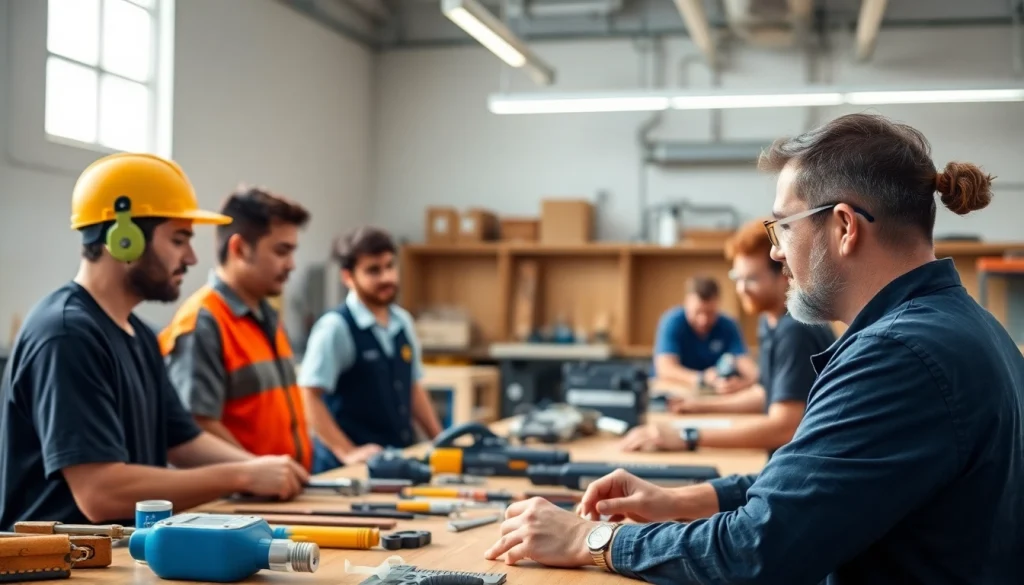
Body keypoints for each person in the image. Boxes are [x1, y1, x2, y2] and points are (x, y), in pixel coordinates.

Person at [482, 113, 1024, 584]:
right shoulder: (969, 328)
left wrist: (591, 539)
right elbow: (819, 482)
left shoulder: (897, 354)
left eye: (782, 226)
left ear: (843, 227)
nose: (775, 251)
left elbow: (758, 553)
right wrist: (682, 501)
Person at [0, 154, 309, 529]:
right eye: (179, 240)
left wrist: (262, 468)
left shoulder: (140, 335)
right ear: (124, 238)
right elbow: (100, 493)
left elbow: (184, 440)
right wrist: (240, 477)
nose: (192, 257)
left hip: (115, 560)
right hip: (59, 569)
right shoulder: (66, 335)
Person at [621, 219, 836, 453]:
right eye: (737, 278)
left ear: (784, 274)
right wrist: (700, 407)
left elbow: (784, 427)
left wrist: (687, 436)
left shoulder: (794, 331)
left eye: (751, 279)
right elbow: (766, 393)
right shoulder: (770, 320)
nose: (741, 289)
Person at [159, 187, 314, 471]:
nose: (291, 265)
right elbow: (194, 428)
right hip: (233, 505)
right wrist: (256, 472)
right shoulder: (201, 323)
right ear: (240, 248)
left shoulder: (267, 316)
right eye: (282, 251)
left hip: (278, 495)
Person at [299, 227, 444, 473]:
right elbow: (308, 396)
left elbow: (413, 387)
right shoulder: (335, 328)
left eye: (389, 266)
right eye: (373, 270)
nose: (386, 277)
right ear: (348, 277)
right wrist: (346, 451)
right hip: (346, 472)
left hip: (396, 461)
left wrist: (440, 440)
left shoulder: (403, 322)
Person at [652, 276, 757, 393]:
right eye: (697, 312)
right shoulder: (672, 322)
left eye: (710, 313)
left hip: (714, 397)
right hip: (675, 393)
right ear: (686, 303)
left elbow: (750, 370)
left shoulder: (728, 325)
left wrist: (741, 384)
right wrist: (701, 378)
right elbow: (665, 369)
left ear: (718, 305)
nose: (703, 320)